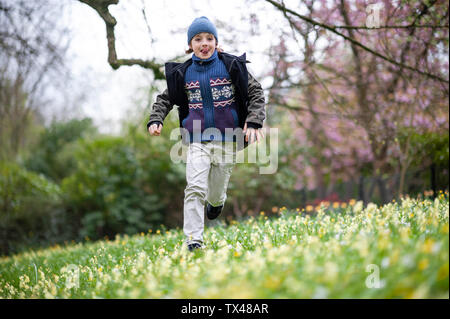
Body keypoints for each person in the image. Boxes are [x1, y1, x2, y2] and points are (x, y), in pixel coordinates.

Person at [147, 16, 266, 251]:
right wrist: (155, 119)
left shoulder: (231, 66)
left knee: (215, 189)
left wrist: (253, 122)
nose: (204, 43)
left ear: (216, 42)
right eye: (198, 39)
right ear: (189, 45)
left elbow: (256, 92)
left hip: (228, 139)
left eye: (209, 38)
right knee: (194, 187)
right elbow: (164, 99)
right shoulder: (183, 73)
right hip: (197, 139)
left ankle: (217, 202)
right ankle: (193, 240)